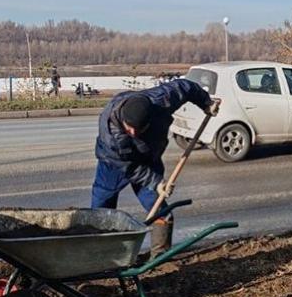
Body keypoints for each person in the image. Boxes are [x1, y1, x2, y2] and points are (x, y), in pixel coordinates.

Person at [91, 78, 219, 255]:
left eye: (139, 128)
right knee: (102, 208)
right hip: (114, 163)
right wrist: (156, 181)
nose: (134, 133)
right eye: (130, 129)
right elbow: (130, 168)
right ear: (123, 120)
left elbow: (186, 86)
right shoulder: (112, 134)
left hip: (149, 157)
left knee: (158, 208)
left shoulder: (162, 99)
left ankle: (159, 256)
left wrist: (206, 102)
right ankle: (99, 253)